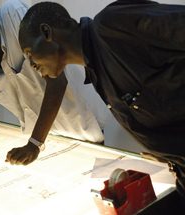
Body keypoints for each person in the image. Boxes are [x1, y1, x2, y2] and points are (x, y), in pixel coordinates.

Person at [18, 0, 185, 198]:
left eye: (29, 53)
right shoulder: (97, 72)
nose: (31, 64)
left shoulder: (111, 23)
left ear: (47, 33)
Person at [0, 0, 109, 166]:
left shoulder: (13, 15)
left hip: (82, 134)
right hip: (43, 145)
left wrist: (35, 143)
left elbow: (57, 81)